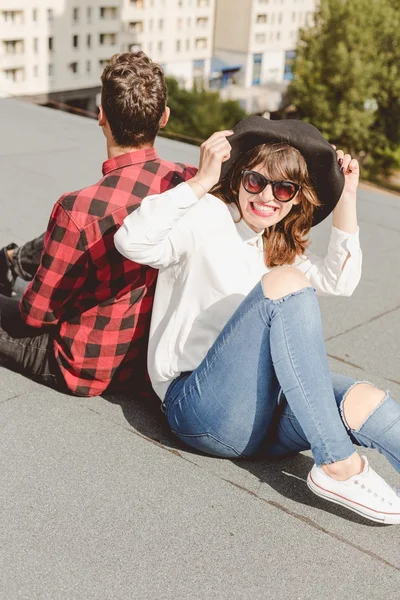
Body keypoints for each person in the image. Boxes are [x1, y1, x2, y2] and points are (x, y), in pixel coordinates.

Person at [115, 116, 400, 523]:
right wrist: (201, 180)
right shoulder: (209, 216)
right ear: (238, 178)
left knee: (367, 400)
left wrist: (347, 196)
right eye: (255, 182)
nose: (268, 197)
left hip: (263, 420)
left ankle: (337, 458)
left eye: (284, 188)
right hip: (198, 409)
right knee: (286, 282)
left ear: (296, 198)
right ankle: (337, 463)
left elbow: (342, 279)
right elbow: (131, 240)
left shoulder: (275, 243)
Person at [0, 51, 196, 397]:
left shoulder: (79, 207)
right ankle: (12, 260)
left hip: (83, 365)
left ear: (100, 115)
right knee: (75, 232)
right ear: (163, 118)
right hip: (148, 362)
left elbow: (35, 316)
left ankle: (11, 264)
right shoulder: (188, 182)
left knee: (76, 228)